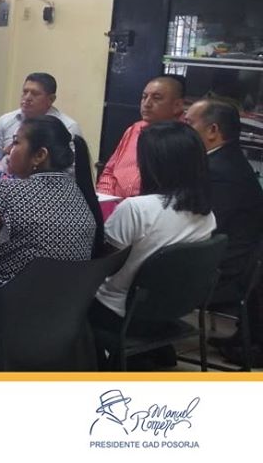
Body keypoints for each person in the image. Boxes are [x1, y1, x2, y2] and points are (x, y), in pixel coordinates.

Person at [0, 115, 102, 369]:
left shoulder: (4, 194)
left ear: (39, 155)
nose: (8, 149)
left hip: (5, 320)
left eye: (16, 142)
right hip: (63, 319)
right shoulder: (82, 194)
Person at [91, 121, 216, 365]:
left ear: (155, 164)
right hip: (170, 310)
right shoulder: (206, 214)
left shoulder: (136, 209)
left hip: (117, 312)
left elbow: (101, 265)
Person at [185, 98, 263, 365]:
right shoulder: (227, 159)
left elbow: (201, 229)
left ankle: (142, 344)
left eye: (189, 123)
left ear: (213, 131)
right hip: (237, 261)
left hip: (226, 271)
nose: (183, 130)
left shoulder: (219, 171)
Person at [97, 76, 186, 197]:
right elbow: (109, 171)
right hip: (114, 203)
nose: (147, 104)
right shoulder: (134, 129)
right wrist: (106, 199)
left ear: (177, 105)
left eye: (157, 98)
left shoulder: (184, 139)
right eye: (144, 97)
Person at [0, 72, 82, 156]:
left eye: (35, 94)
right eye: (25, 92)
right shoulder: (5, 121)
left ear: (51, 99)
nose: (27, 98)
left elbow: (72, 168)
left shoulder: (68, 127)